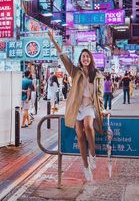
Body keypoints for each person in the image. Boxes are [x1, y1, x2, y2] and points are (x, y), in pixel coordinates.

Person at [48, 30, 105, 181]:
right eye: (83, 57)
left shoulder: (98, 75)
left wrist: (104, 109)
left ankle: (92, 155)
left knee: (89, 126)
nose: (85, 58)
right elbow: (63, 57)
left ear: (90, 59)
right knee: (80, 137)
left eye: (87, 56)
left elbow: (99, 95)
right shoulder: (75, 72)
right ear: (80, 60)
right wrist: (54, 41)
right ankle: (85, 166)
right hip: (77, 107)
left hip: (90, 107)